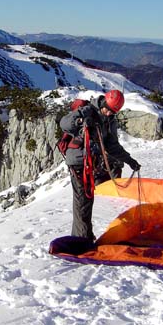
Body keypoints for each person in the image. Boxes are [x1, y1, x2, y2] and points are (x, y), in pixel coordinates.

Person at [59, 90, 141, 241]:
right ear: (103, 103)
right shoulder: (88, 111)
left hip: (88, 163)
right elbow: (64, 124)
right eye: (108, 110)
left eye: (112, 112)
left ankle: (85, 236)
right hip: (78, 163)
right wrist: (79, 121)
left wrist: (130, 161)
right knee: (82, 201)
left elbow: (112, 146)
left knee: (86, 201)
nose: (109, 114)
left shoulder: (105, 120)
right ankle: (81, 239)